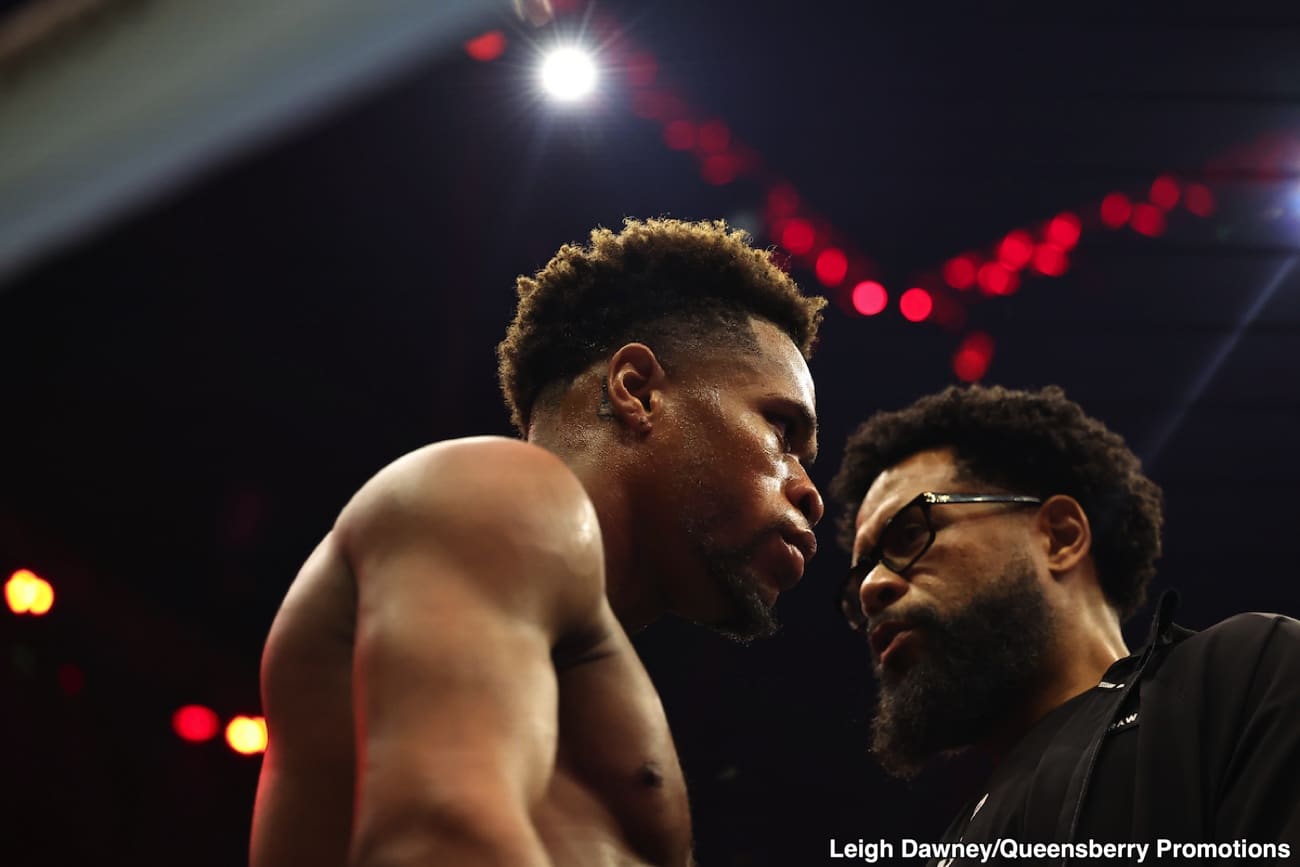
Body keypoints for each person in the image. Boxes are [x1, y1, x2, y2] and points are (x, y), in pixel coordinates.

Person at [249, 218, 826, 867]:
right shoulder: (490, 488)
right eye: (782, 431)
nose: (810, 492)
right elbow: (438, 839)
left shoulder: (589, 667)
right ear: (637, 391)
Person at [831, 384, 1299, 860]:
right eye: (860, 575)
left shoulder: (1242, 676)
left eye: (910, 535)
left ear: (1060, 537)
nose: (871, 588)